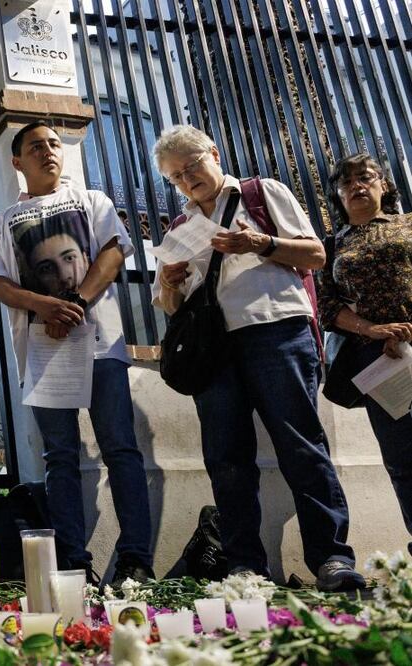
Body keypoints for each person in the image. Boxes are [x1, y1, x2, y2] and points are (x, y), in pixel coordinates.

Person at [150, 124, 364, 591]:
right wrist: (168, 283)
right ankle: (245, 567)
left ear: (213, 151)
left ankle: (331, 558)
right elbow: (168, 306)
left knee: (301, 445)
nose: (188, 181)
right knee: (226, 459)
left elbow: (314, 255)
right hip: (213, 351)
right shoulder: (179, 228)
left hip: (276, 331)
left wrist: (259, 243)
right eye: (176, 177)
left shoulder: (260, 192)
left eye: (192, 167)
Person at [0, 119, 154, 587]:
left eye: (54, 143)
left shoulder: (92, 200)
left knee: (121, 450)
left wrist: (74, 304)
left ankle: (136, 558)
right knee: (60, 457)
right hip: (42, 349)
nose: (48, 151)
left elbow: (113, 254)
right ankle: (73, 561)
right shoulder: (2, 221)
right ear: (17, 161)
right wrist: (42, 305)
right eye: (35, 146)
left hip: (101, 345)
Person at [317, 153, 412, 549]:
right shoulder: (332, 245)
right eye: (346, 183)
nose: (356, 186)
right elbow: (326, 307)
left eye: (365, 178)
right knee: (402, 460)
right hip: (379, 363)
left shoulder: (408, 226)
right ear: (338, 196)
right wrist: (372, 330)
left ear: (384, 185)